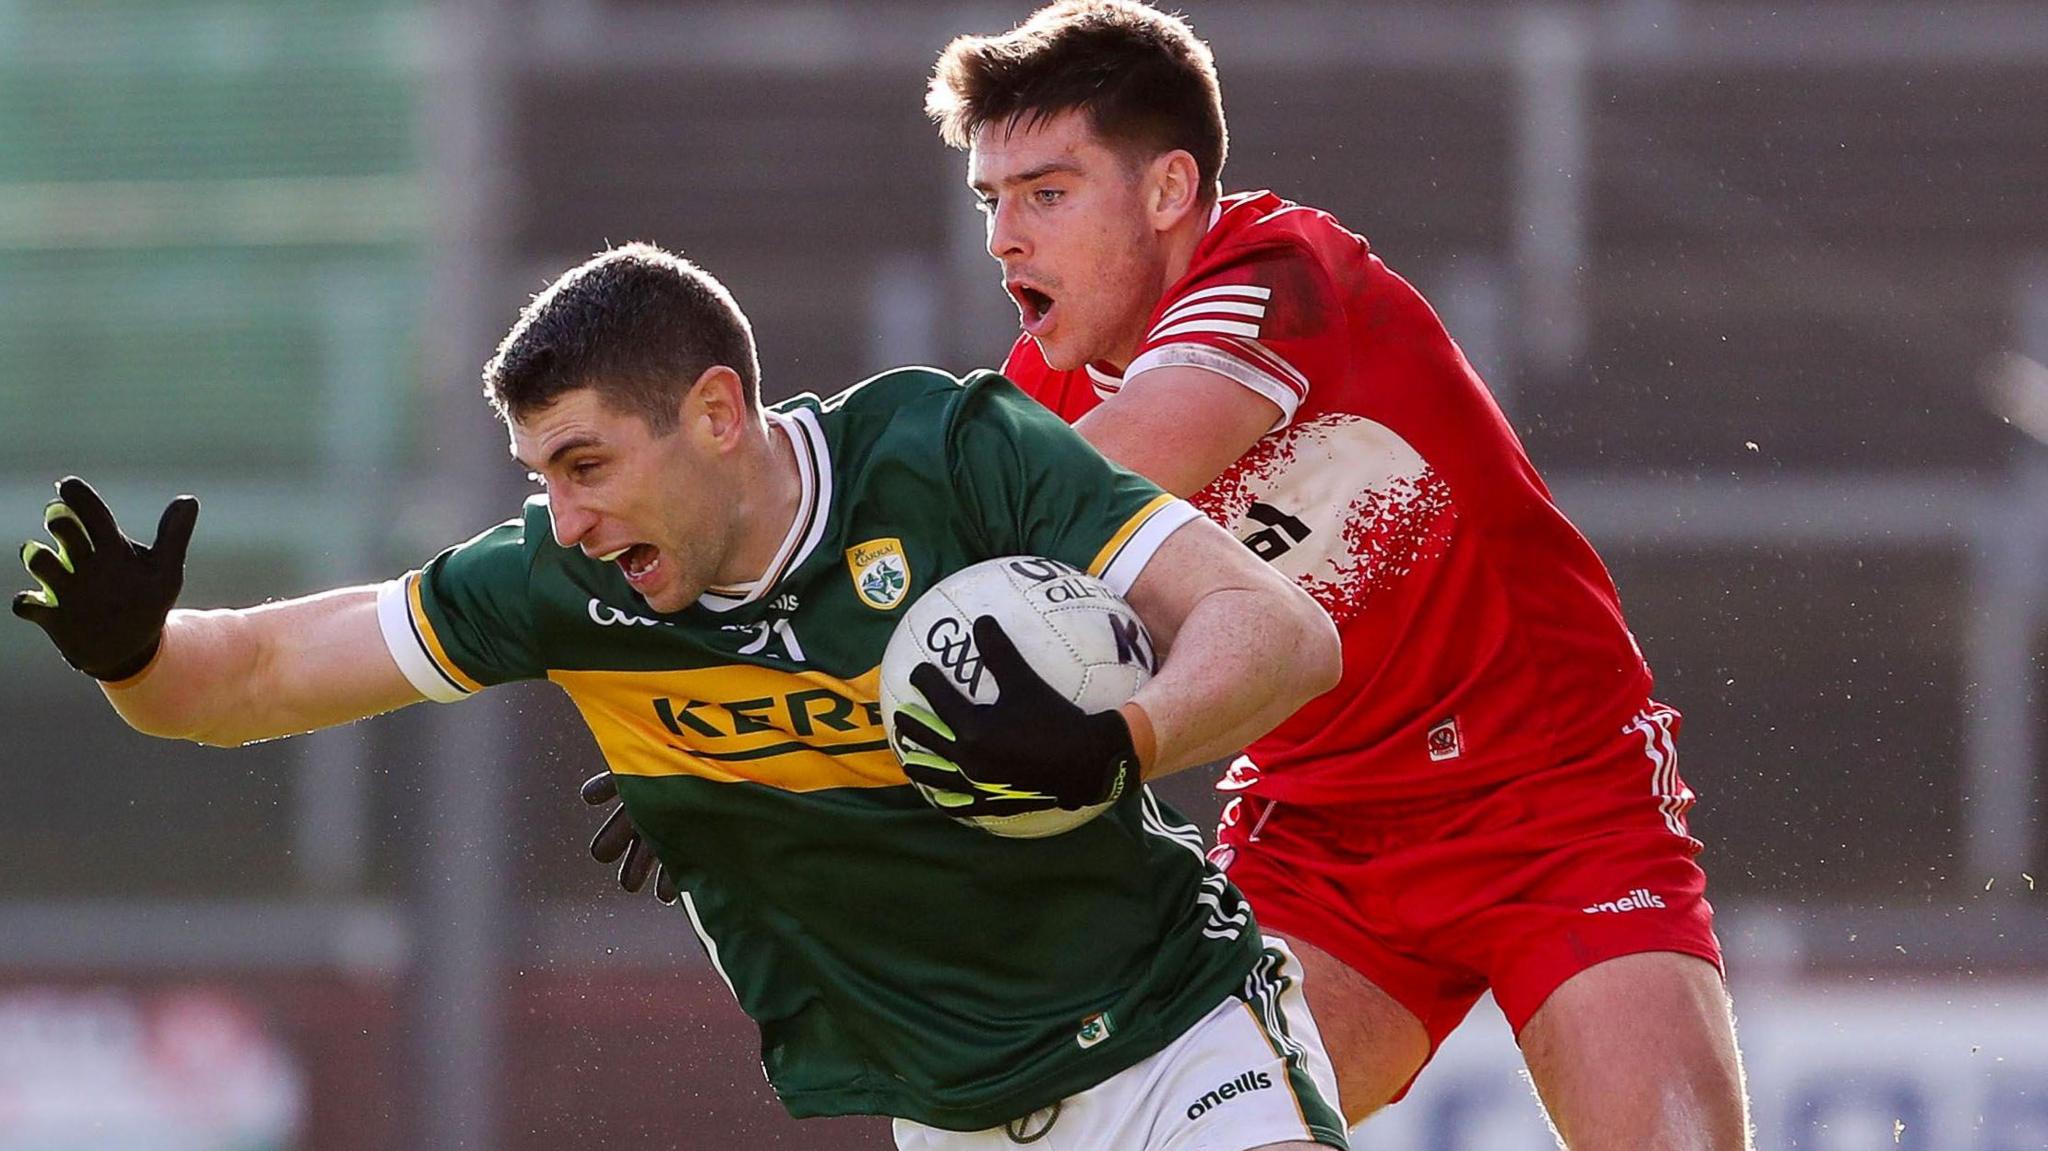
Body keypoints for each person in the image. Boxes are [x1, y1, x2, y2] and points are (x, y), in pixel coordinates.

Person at [10, 242, 1350, 1150]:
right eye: (541, 476)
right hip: (950, 1115)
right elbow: (247, 673)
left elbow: (1277, 629)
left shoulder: (951, 455)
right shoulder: (560, 583)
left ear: (717, 412)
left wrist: (1123, 737)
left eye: (587, 463)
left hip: (1183, 1048)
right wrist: (137, 649)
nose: (565, 516)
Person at [919, 3, 1749, 1149]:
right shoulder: (1039, 403)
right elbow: (943, 627)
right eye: (990, 200)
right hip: (1318, 841)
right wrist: (736, 752)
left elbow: (1123, 460)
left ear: (1168, 190)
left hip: (1553, 799)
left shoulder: (1274, 268)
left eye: (1046, 193)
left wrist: (876, 578)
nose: (1004, 237)